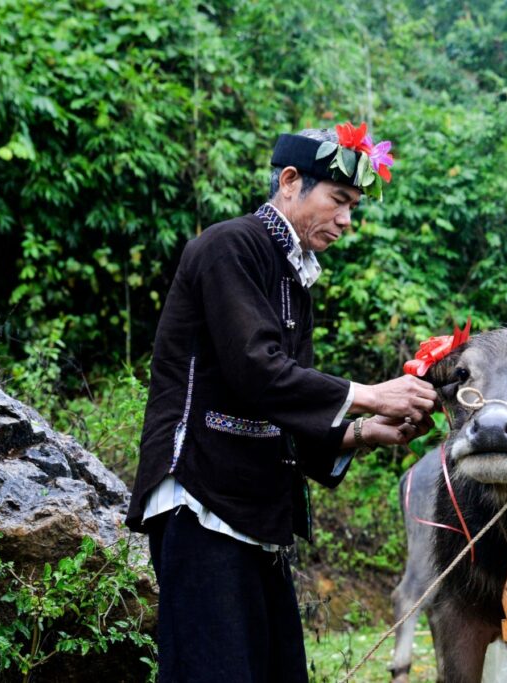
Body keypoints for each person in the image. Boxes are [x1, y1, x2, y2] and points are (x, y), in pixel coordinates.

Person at [125, 124, 437, 682]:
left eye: (353, 207)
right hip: (198, 494)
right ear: (290, 182)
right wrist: (369, 393)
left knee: (278, 672)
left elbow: (286, 406)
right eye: (338, 201)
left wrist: (364, 430)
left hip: (252, 503)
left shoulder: (295, 278)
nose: (346, 220)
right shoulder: (230, 246)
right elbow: (257, 369)